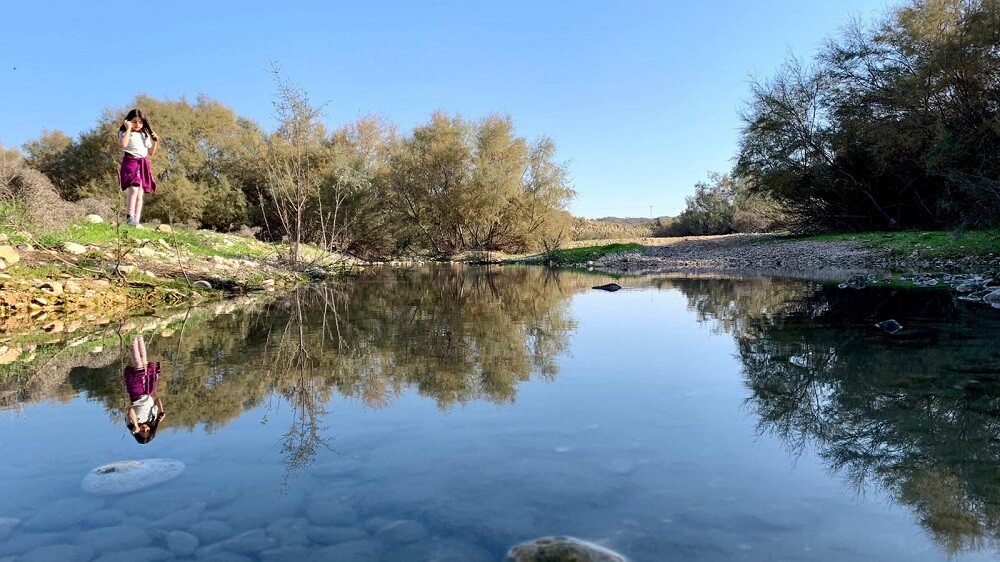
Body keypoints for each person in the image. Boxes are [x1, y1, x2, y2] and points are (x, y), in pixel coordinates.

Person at [118, 109, 159, 227]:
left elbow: (151, 152)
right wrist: (128, 128)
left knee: (140, 192)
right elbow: (124, 144)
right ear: (128, 121)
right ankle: (129, 216)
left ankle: (137, 219)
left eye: (140, 122)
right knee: (134, 188)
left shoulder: (144, 134)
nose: (137, 124)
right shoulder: (124, 132)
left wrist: (155, 142)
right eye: (134, 122)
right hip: (130, 161)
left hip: (143, 163)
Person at [123, 334, 165, 444]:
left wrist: (136, 426)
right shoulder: (152, 419)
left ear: (137, 433)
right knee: (144, 360)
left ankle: (131, 337)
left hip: (137, 392)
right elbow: (157, 400)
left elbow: (130, 410)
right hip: (149, 390)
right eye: (147, 430)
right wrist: (161, 411)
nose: (145, 428)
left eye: (142, 431)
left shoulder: (131, 423)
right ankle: (139, 335)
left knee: (138, 364)